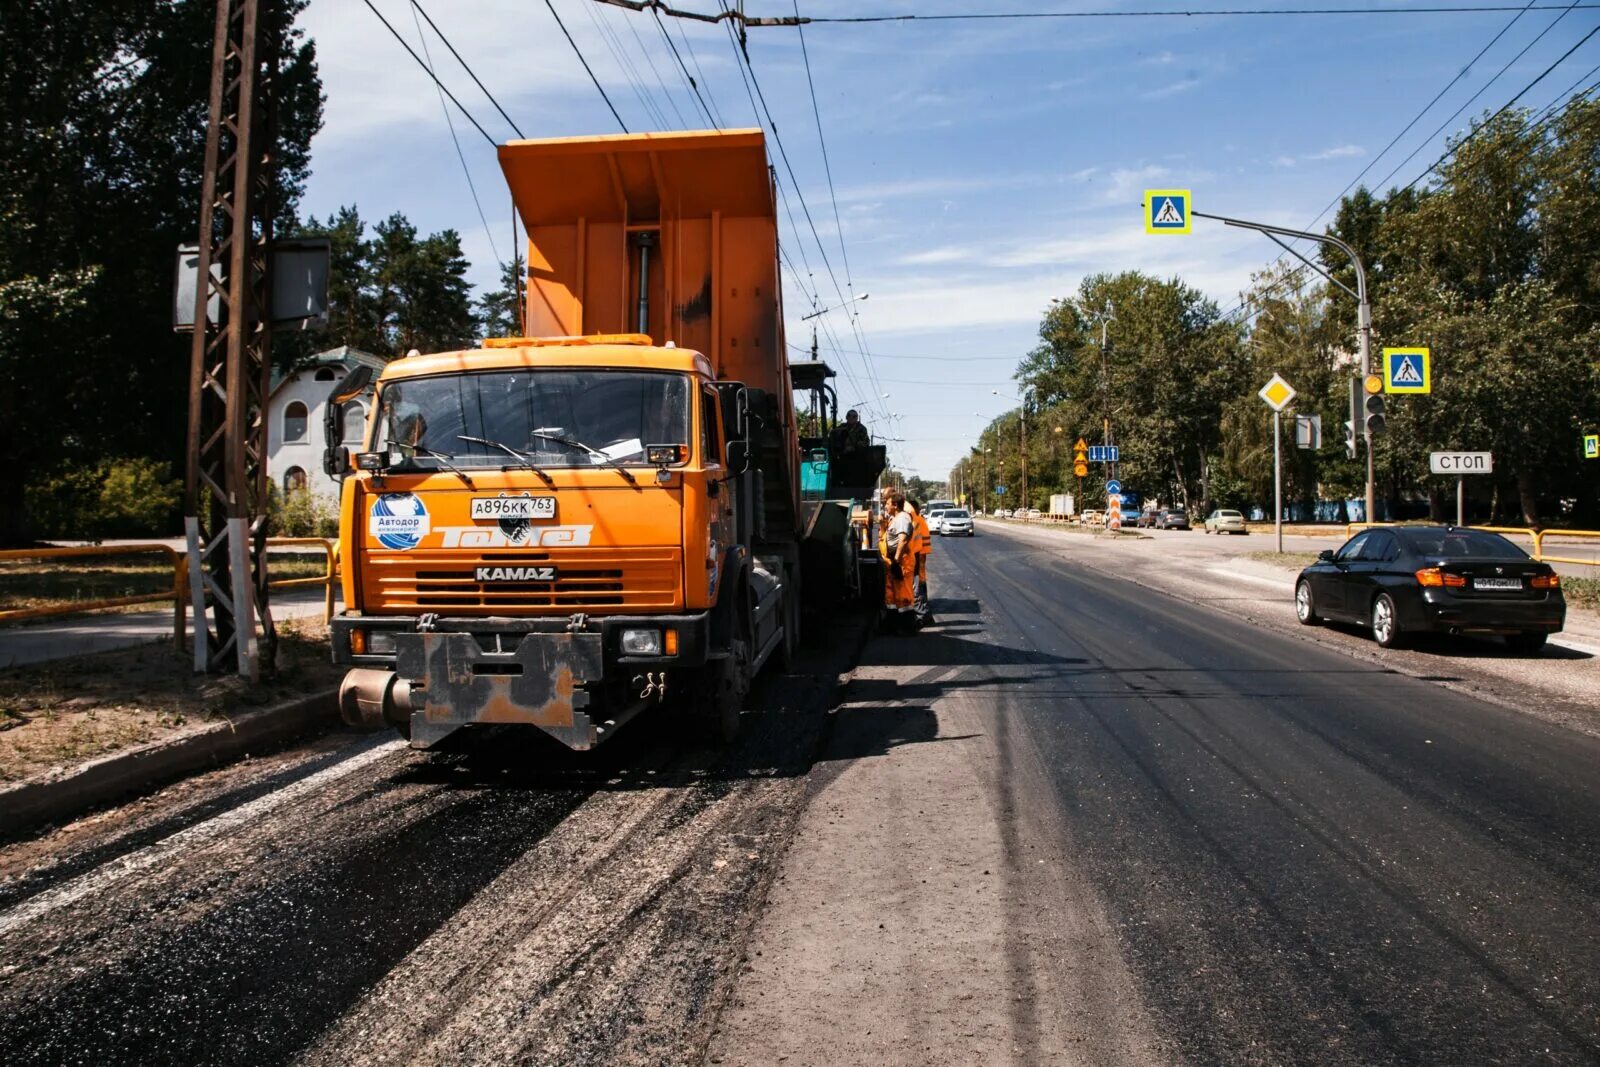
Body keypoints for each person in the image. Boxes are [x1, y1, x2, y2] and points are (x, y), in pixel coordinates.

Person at [877, 486, 917, 633]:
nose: (885, 506)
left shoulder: (902, 518)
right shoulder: (895, 518)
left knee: (904, 595)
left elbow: (903, 540)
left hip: (902, 562)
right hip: (893, 561)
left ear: (895, 505)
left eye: (887, 504)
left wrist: (896, 561)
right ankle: (893, 624)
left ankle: (907, 627)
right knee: (892, 594)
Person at [907, 499, 934, 626]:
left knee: (919, 591)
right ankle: (925, 617)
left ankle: (924, 617)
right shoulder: (917, 521)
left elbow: (923, 549)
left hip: (918, 562)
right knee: (919, 592)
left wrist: (920, 570)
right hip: (917, 561)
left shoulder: (919, 522)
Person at [828, 409, 872, 485]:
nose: (851, 418)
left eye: (854, 416)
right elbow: (832, 434)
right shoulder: (842, 427)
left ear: (857, 418)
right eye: (849, 416)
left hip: (856, 456)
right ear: (846, 417)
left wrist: (853, 447)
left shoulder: (861, 429)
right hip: (842, 455)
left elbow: (865, 443)